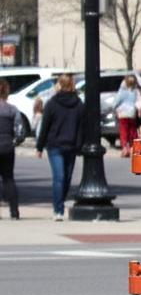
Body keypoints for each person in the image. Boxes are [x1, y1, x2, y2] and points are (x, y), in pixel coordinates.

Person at [34, 73, 82, 221]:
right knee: (65, 178)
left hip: (55, 144)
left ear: (59, 85)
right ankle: (59, 206)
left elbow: (45, 126)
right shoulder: (78, 103)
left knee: (60, 178)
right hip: (70, 144)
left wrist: (39, 146)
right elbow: (81, 127)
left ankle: (58, 209)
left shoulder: (52, 103)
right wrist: (79, 145)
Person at [0, 80, 20, 220]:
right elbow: (20, 132)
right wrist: (14, 142)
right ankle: (14, 211)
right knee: (8, 179)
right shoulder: (12, 109)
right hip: (7, 147)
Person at [112, 75, 141, 157]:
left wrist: (114, 112)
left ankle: (125, 148)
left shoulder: (122, 91)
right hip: (132, 113)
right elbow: (139, 101)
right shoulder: (135, 91)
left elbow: (115, 103)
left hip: (122, 113)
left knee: (124, 131)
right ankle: (136, 147)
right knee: (133, 130)